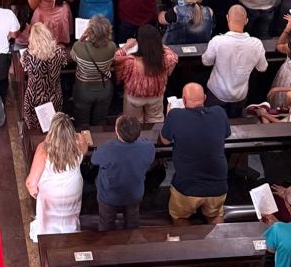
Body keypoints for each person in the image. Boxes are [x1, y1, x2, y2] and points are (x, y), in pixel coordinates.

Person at [159, 83, 230, 224]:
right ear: (204, 98)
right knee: (215, 215)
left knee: (180, 217)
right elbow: (226, 134)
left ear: (184, 100)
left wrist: (169, 116)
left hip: (187, 186)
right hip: (218, 185)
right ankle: (221, 238)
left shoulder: (175, 115)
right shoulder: (219, 112)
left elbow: (164, 141)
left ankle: (187, 238)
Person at [25, 112, 87, 240]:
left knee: (48, 218)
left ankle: (48, 237)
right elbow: (84, 152)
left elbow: (31, 183)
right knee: (70, 215)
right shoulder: (80, 141)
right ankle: (70, 232)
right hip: (72, 190)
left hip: (51, 195)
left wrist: (37, 194)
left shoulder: (44, 149)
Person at [201, 4, 268, 115]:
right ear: (246, 21)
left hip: (217, 92)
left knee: (213, 120)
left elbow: (206, 61)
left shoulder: (218, 41)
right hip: (239, 95)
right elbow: (262, 67)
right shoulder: (256, 44)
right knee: (236, 120)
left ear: (227, 18)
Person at [92, 113, 155, 230]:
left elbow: (94, 160)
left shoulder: (106, 149)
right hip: (134, 194)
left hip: (109, 196)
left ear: (117, 131)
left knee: (106, 224)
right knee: (132, 222)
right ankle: (131, 239)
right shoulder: (148, 147)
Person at [114, 24, 178, 125]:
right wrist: (155, 44)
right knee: (156, 122)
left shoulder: (130, 62)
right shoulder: (165, 59)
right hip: (156, 96)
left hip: (134, 97)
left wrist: (126, 46)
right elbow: (173, 56)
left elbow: (116, 58)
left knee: (133, 123)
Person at [70, 15, 115, 128]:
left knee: (82, 122)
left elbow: (72, 56)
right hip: (104, 88)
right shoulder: (112, 47)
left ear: (90, 31)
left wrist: (81, 39)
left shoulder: (79, 47)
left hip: (83, 89)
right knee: (99, 122)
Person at [21, 23, 66, 130]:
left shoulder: (28, 55)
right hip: (54, 94)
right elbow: (64, 63)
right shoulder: (59, 52)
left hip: (34, 96)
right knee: (52, 125)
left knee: (34, 127)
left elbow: (24, 66)